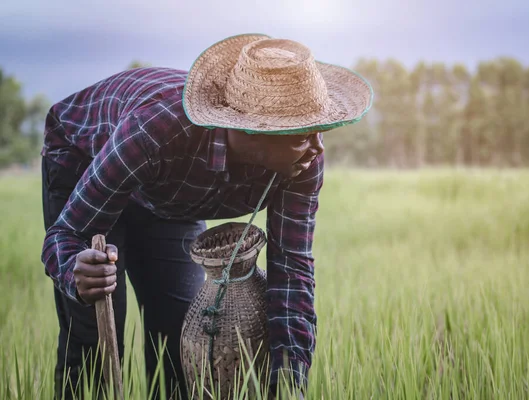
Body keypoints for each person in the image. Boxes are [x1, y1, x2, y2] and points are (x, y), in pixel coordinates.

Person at [40, 33, 372, 399]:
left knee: (184, 339)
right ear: (254, 129)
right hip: (89, 159)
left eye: (319, 131)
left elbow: (291, 273)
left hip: (170, 195)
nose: (317, 148)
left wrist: (288, 386)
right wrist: (74, 269)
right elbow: (64, 235)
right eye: (302, 135)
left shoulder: (302, 160)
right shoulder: (157, 131)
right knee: (96, 343)